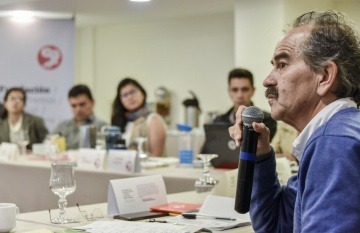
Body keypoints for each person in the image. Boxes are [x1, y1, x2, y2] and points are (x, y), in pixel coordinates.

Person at [229, 10, 360, 232]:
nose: (267, 80)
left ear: (325, 77)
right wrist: (260, 156)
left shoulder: (334, 142)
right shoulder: (329, 133)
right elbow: (277, 225)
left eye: (282, 65)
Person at [214, 68, 277, 141]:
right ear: (229, 92)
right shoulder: (218, 121)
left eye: (244, 89)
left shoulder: (267, 120)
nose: (239, 95)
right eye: (235, 90)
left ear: (253, 91)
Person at [111, 77, 166, 156]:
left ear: (142, 92)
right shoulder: (121, 121)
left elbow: (156, 157)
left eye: (133, 92)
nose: (130, 97)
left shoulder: (153, 120)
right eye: (125, 95)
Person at [53, 84, 107, 150]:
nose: (78, 110)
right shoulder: (62, 126)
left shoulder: (102, 127)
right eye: (74, 106)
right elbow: (48, 144)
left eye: (82, 104)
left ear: (92, 102)